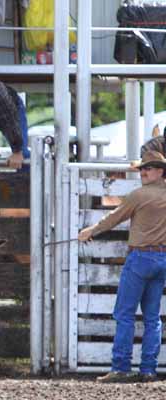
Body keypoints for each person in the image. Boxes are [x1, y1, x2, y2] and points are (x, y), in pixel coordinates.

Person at [78, 150, 166, 383]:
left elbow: (114, 218)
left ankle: (121, 367)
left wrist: (90, 231)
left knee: (125, 314)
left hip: (140, 258)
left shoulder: (139, 195)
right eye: (142, 168)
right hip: (162, 258)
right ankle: (148, 369)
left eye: (149, 168)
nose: (144, 172)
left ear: (160, 171)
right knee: (152, 317)